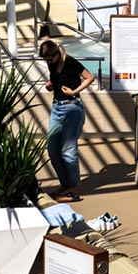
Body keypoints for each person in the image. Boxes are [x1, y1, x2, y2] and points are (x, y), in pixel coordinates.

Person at [39, 39, 94, 201]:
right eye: (46, 60)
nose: (48, 62)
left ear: (57, 53)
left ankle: (75, 187)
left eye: (50, 58)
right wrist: (50, 84)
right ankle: (66, 184)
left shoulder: (69, 61)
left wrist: (74, 91)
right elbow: (58, 78)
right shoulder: (52, 64)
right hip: (56, 109)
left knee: (68, 151)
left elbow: (90, 78)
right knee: (53, 150)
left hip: (72, 109)